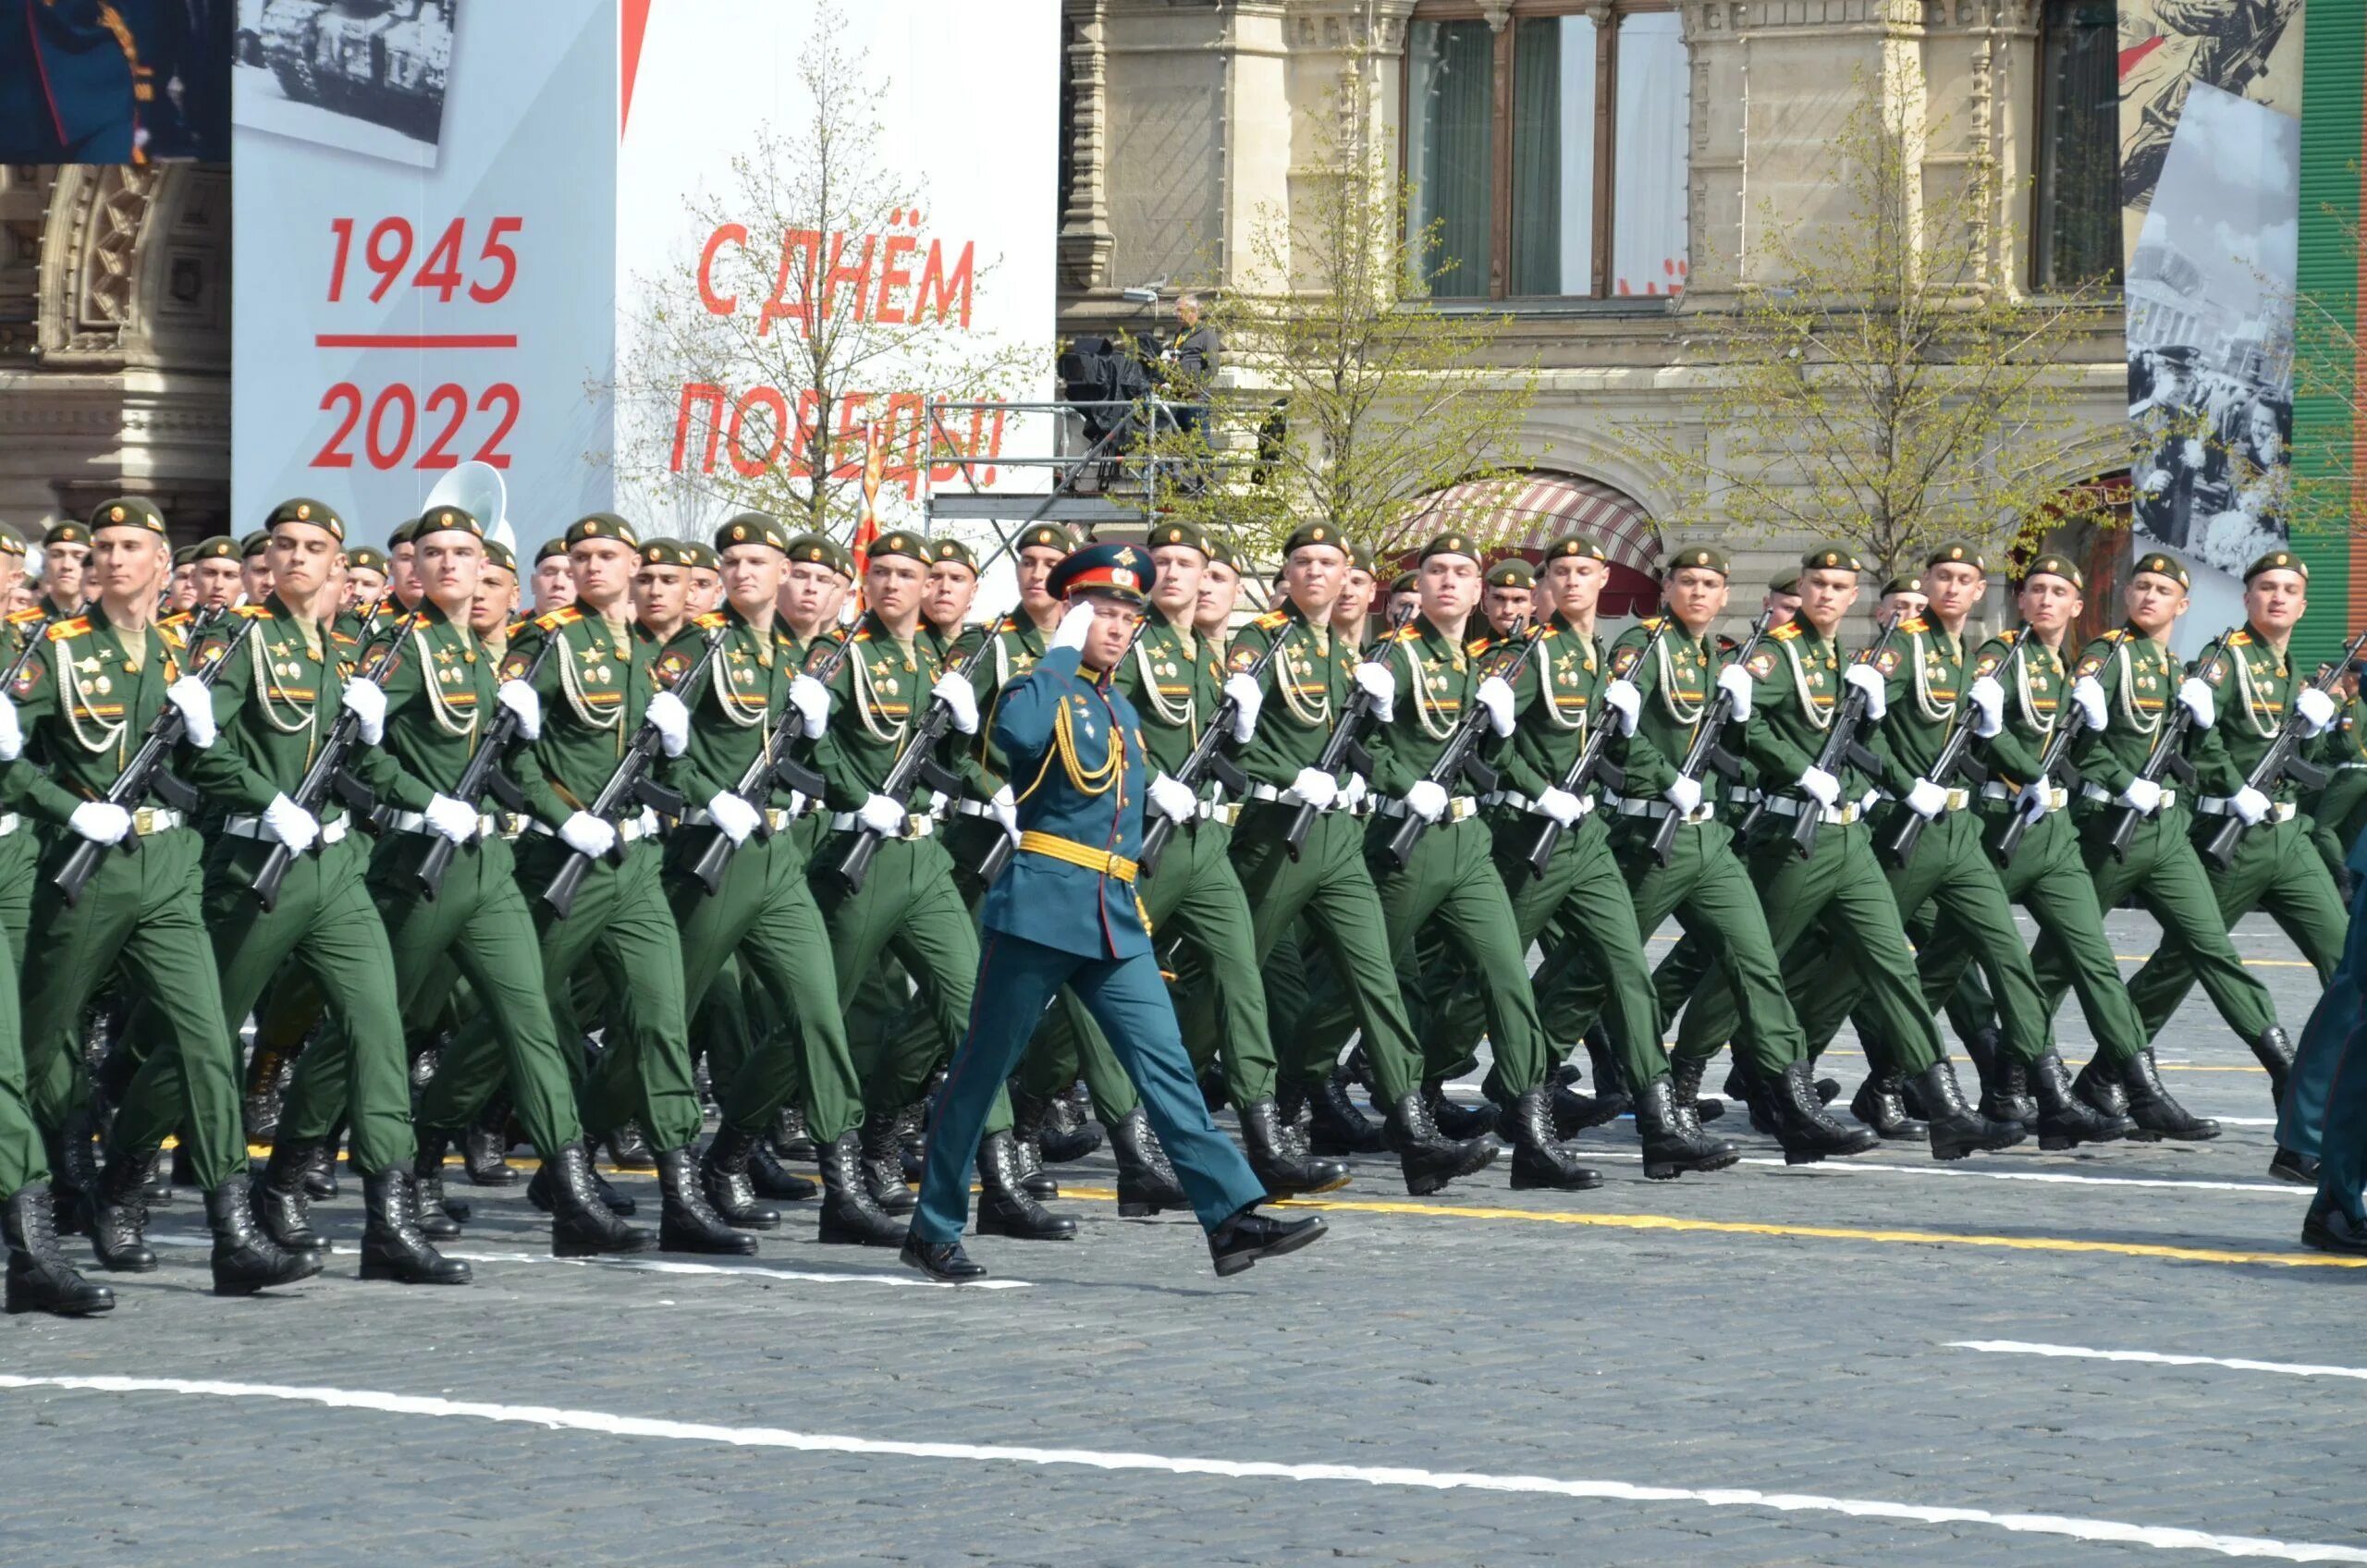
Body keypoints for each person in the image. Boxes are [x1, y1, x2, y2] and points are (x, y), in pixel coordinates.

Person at [901, 542, 1326, 1284]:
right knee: (980, 1073)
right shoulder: (1047, 686)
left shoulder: (1116, 703)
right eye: (1104, 612)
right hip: (1040, 909)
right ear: (1070, 616)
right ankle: (933, 1226)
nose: (1122, 626)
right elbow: (1018, 739)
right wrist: (1057, 656)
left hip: (1111, 911)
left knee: (1167, 1071)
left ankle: (1229, 1217)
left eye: (1130, 614)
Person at [6, 497, 320, 1296]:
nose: (111, 558)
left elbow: (205, 765)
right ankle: (38, 1206)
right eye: (101, 546)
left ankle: (233, 1231)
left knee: (206, 1040)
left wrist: (236, 770)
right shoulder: (59, 651)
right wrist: (67, 806)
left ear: (160, 564)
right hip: (87, 866)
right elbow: (11, 760)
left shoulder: (185, 652)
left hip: (170, 860)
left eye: (130, 546)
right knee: (37, 1050)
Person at [152, 498, 468, 1286]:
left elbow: (361, 770)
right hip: (254, 869)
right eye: (285, 545)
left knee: (377, 1031)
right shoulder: (238, 640)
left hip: (334, 870)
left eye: (315, 547)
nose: (298, 557)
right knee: (198, 1039)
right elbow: (201, 751)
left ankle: (388, 1224)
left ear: (337, 566)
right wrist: (266, 800)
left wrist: (412, 791)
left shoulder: (338, 654)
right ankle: (120, 1178)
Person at [335, 504, 650, 1258]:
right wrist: (417, 796)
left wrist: (553, 809)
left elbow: (507, 766)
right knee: (383, 1027)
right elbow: (356, 760)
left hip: (488, 865)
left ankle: (572, 1195)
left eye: (463, 554)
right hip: (419, 866)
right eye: (433, 552)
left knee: (531, 1021)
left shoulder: (480, 654)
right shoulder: (404, 650)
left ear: (487, 572)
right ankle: (291, 1170)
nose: (448, 565)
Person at [1674, 543, 2022, 1162]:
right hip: (1794, 840)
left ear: (1853, 596)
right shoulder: (1779, 657)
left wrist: (1877, 775)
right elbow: (1744, 729)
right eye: (1818, 584)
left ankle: (1944, 1108)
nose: (1828, 595)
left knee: (1892, 964)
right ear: (1802, 590)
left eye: (1840, 587)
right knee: (1751, 967)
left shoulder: (1848, 660)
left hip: (1851, 835)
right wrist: (1797, 770)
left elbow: (1866, 741)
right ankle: (1683, 1082)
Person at [1223, 521, 1498, 1194]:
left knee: (1377, 981)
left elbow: (1367, 746)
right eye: (1302, 561)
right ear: (1285, 573)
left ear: (1348, 574)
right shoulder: (1262, 641)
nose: (1316, 573)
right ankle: (1228, 1121)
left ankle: (1414, 1132)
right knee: (1225, 989)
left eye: (1329, 562)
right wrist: (1288, 774)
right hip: (1278, 835)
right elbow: (1229, 744)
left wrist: (1366, 776)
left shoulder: (1343, 652)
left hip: (1342, 839)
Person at [2028, 549, 2292, 1129]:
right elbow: (2081, 744)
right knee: (2059, 959)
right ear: (2126, 596)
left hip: (2168, 832)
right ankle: (2023, 1075)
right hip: (2109, 830)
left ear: (2183, 604)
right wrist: (2124, 783)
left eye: (2162, 590)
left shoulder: (2175, 666)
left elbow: (2189, 752)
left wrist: (2200, 728)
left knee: (2210, 946)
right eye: (2140, 586)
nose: (2149, 596)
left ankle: (2285, 1070)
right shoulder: (2106, 656)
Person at [2130, 551, 2346, 1182]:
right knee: (2184, 961)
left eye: (2289, 591)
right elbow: (2199, 736)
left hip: (2289, 839)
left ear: (2303, 607)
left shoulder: (2290, 667)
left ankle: (2318, 1091)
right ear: (2247, 598)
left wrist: (2321, 727)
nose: (2278, 598)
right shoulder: (2226, 660)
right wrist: (2231, 784)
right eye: (2266, 588)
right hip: (2236, 835)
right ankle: (2114, 1067)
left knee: (2345, 964)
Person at [38, 521, 90, 619]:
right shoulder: (21, 625)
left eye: (78, 557)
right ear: (46, 563)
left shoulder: (108, 623)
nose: (66, 565)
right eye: (56, 556)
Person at [186, 535, 242, 612]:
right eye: (210, 574)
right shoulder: (173, 623)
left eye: (229, 576)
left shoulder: (258, 623)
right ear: (194, 577)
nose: (218, 585)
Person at [1482, 557, 1534, 639]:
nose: (1508, 610)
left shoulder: (1548, 648)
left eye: (1518, 600)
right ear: (1485, 598)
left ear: (1535, 602)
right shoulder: (1470, 651)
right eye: (1499, 598)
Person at [531, 538, 577, 616]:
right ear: (533, 583)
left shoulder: (598, 626)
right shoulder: (507, 627)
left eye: (571, 576)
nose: (559, 583)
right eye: (549, 573)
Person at [239, 530, 275, 606]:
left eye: (278, 571)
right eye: (261, 571)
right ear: (242, 574)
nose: (270, 582)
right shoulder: (233, 618)